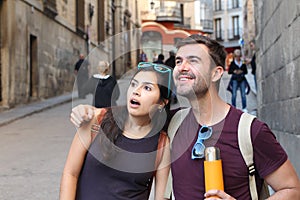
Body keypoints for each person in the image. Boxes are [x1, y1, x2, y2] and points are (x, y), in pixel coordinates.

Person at [70, 35, 300, 199]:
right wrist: (91, 112)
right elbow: (132, 112)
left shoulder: (250, 131)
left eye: (193, 60)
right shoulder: (173, 122)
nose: (181, 67)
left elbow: (292, 190)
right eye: (179, 61)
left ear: (216, 72)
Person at [60, 63, 173, 200]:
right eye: (133, 84)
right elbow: (70, 173)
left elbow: (161, 197)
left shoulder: (161, 145)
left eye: (147, 88)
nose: (136, 91)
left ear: (161, 103)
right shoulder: (97, 120)